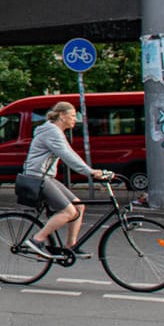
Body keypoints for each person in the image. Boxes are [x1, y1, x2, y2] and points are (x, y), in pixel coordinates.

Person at [14, 101, 116, 260]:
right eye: (73, 115)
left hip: (46, 177)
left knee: (79, 206)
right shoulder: (52, 131)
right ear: (62, 115)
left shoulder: (56, 131)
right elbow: (67, 156)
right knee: (69, 211)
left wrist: (92, 171)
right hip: (37, 177)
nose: (76, 119)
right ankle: (37, 239)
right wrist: (90, 172)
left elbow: (70, 153)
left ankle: (70, 246)